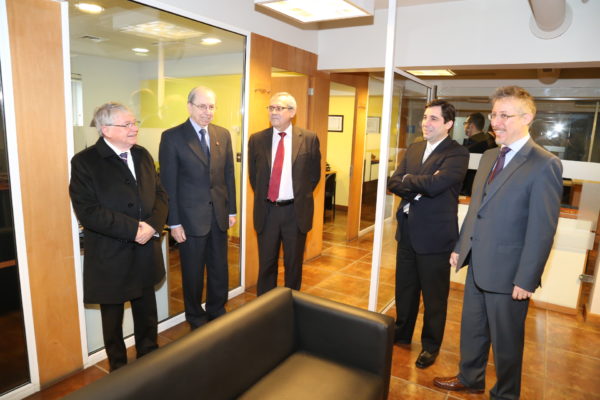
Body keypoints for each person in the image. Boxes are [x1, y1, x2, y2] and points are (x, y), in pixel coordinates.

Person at [433, 86, 563, 399]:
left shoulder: (544, 164)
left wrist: (526, 279)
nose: (496, 122)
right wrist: (460, 247)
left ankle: (505, 393)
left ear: (527, 118)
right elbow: (476, 209)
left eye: (505, 115)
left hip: (509, 274)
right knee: (472, 329)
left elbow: (542, 230)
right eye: (494, 114)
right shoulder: (490, 156)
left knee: (506, 342)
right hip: (478, 263)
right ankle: (470, 378)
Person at [69, 102, 167, 371]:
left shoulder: (142, 155)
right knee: (112, 320)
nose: (134, 128)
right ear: (106, 129)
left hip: (145, 250)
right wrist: (134, 229)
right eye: (127, 124)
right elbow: (88, 211)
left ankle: (149, 358)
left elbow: (160, 194)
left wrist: (152, 226)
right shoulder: (85, 162)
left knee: (147, 312)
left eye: (135, 123)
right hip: (110, 254)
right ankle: (119, 370)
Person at [387, 99, 469, 369]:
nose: (426, 123)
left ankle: (430, 346)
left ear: (448, 124)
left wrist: (409, 180)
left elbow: (437, 184)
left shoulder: (457, 153)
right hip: (407, 231)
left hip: (435, 236)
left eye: (433, 118)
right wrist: (415, 185)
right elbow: (393, 181)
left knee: (434, 297)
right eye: (425, 117)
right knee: (405, 289)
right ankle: (402, 333)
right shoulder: (414, 148)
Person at [159, 86, 236, 329]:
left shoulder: (222, 134)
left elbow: (228, 175)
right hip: (189, 219)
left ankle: (217, 308)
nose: (207, 111)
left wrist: (231, 209)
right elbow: (168, 184)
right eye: (202, 106)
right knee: (192, 272)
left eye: (211, 106)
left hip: (218, 215)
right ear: (189, 107)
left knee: (219, 268)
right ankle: (194, 315)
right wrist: (173, 222)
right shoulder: (172, 137)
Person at [248, 92, 321, 295]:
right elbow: (254, 178)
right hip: (267, 212)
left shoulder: (308, 139)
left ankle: (290, 304)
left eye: (279, 108)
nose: (274, 112)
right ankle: (265, 306)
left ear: (292, 112)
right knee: (266, 264)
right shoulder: (257, 140)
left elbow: (314, 177)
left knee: (293, 265)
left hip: (295, 213)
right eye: (271, 108)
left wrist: (296, 195)